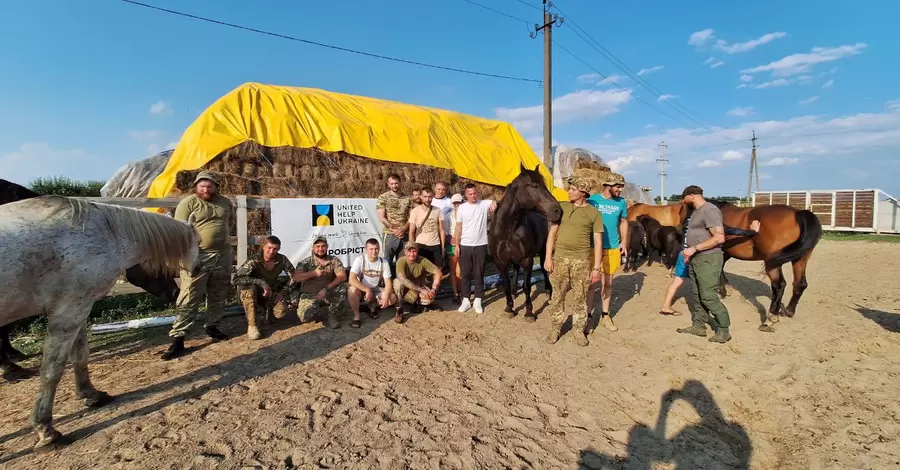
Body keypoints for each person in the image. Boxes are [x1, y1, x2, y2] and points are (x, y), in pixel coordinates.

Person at [162, 171, 233, 361]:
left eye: (210, 186)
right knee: (190, 295)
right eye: (202, 186)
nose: (206, 189)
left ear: (216, 187)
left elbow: (229, 223)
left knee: (218, 293)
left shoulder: (225, 202)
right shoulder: (188, 203)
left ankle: (213, 327)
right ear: (196, 187)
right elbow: (180, 231)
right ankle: (178, 338)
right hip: (197, 256)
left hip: (223, 255)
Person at [545, 175, 604, 346]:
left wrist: (596, 268)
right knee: (557, 297)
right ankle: (555, 328)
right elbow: (552, 234)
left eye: (572, 189)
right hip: (561, 259)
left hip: (582, 262)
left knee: (580, 298)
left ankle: (578, 330)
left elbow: (598, 242)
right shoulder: (562, 208)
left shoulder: (593, 213)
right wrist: (549, 258)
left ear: (583, 192)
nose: (569, 192)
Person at [660, 219, 761, 316]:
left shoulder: (690, 220)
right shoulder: (710, 222)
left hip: (683, 253)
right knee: (703, 284)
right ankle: (704, 311)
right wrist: (752, 231)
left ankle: (666, 306)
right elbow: (733, 231)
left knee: (677, 281)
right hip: (696, 255)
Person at [675, 185, 732, 343]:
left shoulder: (710, 210)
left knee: (708, 296)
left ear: (691, 195)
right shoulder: (696, 211)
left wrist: (694, 248)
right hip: (695, 258)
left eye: (684, 197)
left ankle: (723, 329)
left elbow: (719, 238)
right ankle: (698, 326)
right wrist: (689, 252)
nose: (683, 200)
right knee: (697, 294)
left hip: (708, 258)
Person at [586, 174, 629, 332]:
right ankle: (588, 316)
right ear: (608, 185)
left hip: (612, 247)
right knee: (591, 284)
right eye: (618, 186)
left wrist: (624, 242)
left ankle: (605, 314)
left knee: (608, 283)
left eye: (621, 186)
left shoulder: (621, 203)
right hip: (593, 248)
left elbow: (624, 222)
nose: (620, 189)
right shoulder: (593, 201)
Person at [232, 235, 297, 340]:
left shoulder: (282, 259)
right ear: (263, 247)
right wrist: (260, 282)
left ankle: (267, 311)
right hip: (254, 293)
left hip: (270, 292)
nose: (271, 251)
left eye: (275, 248)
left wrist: (283, 292)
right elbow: (236, 279)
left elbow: (294, 277)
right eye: (269, 248)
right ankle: (252, 326)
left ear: (279, 249)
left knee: (280, 312)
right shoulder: (254, 260)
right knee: (249, 290)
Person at [454, 184, 497, 314]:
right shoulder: (461, 208)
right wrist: (457, 245)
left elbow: (495, 201)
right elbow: (458, 227)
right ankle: (466, 300)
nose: (473, 196)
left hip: (480, 245)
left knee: (479, 273)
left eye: (474, 193)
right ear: (465, 195)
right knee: (465, 273)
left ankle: (478, 299)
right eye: (470, 194)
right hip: (465, 245)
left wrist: (494, 204)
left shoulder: (483, 204)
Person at [291, 236, 348, 329]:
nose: (320, 249)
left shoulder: (333, 260)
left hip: (327, 293)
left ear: (327, 247)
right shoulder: (306, 262)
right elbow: (296, 277)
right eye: (317, 246)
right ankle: (318, 310)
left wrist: (325, 289)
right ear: (313, 248)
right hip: (309, 295)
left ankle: (332, 315)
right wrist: (314, 273)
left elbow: (342, 276)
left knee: (343, 287)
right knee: (305, 317)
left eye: (323, 246)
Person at [347, 238, 396, 328]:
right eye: (371, 249)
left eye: (376, 249)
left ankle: (372, 306)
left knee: (392, 298)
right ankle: (357, 317)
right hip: (362, 289)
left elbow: (388, 283)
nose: (374, 251)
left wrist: (387, 296)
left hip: (376, 289)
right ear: (366, 249)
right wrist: (367, 289)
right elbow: (351, 279)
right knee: (351, 290)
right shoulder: (360, 259)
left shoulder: (383, 262)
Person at [394, 242, 443, 323]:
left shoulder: (422, 260)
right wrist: (421, 290)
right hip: (407, 288)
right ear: (405, 252)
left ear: (417, 251)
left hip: (416, 287)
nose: (412, 254)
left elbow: (438, 273)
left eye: (414, 251)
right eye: (409, 251)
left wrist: (433, 289)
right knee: (397, 282)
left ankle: (417, 304)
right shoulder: (401, 261)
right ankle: (399, 308)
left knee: (428, 299)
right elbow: (402, 279)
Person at [376, 173, 411, 277]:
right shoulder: (383, 197)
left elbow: (411, 217)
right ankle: (388, 287)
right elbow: (382, 217)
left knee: (402, 262)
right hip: (390, 234)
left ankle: (401, 286)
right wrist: (394, 229)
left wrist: (404, 228)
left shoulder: (407, 198)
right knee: (387, 262)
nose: (394, 186)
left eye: (396, 183)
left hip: (404, 235)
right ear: (388, 184)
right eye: (392, 184)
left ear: (400, 183)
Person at [409, 187, 446, 268]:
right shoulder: (415, 211)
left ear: (432, 197)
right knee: (421, 271)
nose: (428, 199)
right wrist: (412, 247)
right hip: (420, 245)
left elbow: (442, 230)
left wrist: (443, 248)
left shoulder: (438, 210)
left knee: (437, 270)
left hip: (435, 245)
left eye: (430, 197)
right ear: (421, 197)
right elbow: (411, 231)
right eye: (425, 197)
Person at [445, 193, 464, 303]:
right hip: (452, 244)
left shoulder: (466, 214)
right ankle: (455, 293)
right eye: (455, 203)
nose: (457, 205)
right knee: (453, 269)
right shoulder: (448, 216)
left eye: (459, 202)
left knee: (460, 270)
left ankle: (462, 292)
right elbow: (447, 232)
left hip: (464, 243)